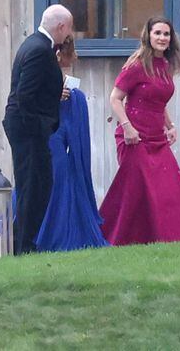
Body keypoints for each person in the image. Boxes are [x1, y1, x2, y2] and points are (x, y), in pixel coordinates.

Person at [99, 16, 180, 245]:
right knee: (134, 191)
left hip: (157, 138)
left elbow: (158, 101)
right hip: (134, 138)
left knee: (169, 188)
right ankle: (108, 236)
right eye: (158, 33)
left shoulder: (166, 66)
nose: (162, 38)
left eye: (166, 34)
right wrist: (127, 128)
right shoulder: (137, 65)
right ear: (148, 35)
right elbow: (115, 99)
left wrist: (171, 126)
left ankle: (167, 238)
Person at [3, 4, 73, 254]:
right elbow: (25, 94)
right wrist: (40, 128)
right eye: (68, 29)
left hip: (27, 128)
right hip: (28, 130)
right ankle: (24, 246)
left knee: (38, 184)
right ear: (61, 26)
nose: (68, 36)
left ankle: (26, 243)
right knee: (34, 187)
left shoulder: (35, 45)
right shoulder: (39, 50)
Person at [34, 36, 109, 251]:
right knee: (55, 178)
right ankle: (45, 233)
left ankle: (57, 231)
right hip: (50, 133)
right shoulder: (43, 71)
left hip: (58, 127)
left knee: (61, 178)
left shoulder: (61, 81)